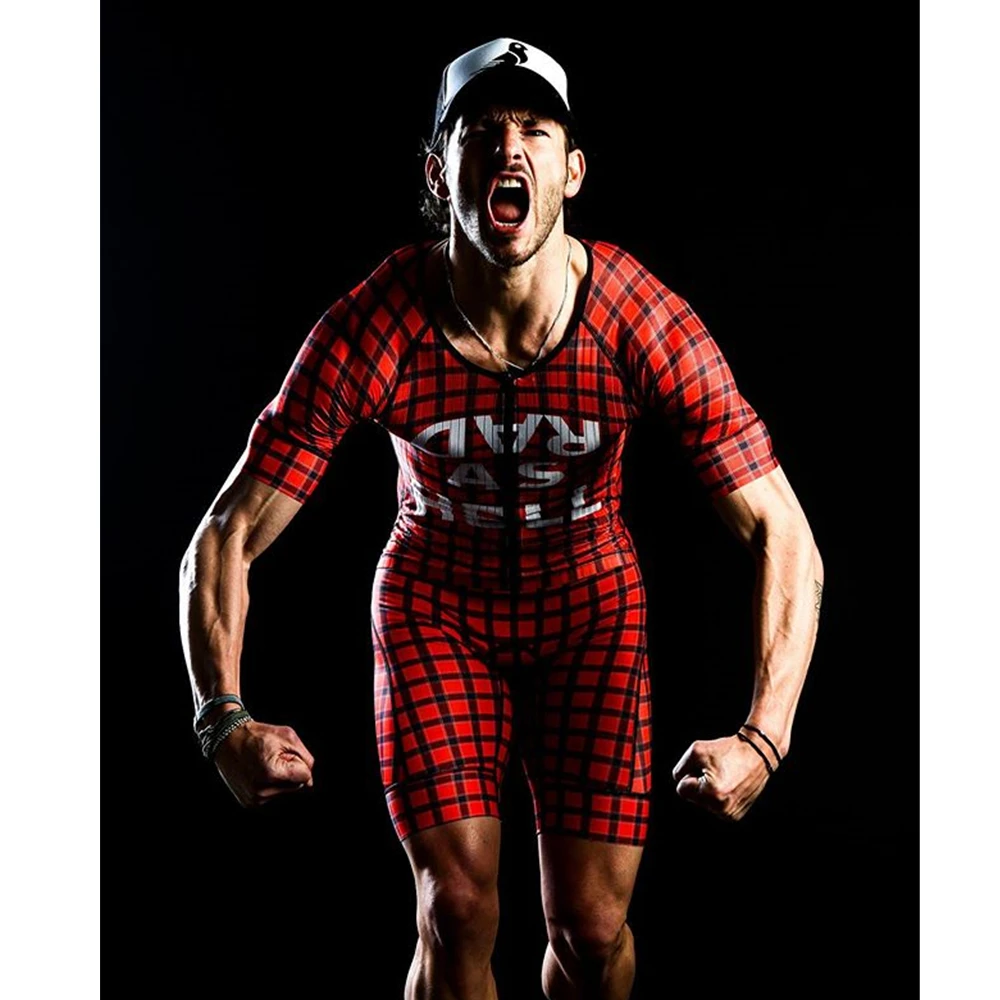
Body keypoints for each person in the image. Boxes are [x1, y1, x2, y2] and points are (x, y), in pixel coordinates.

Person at [179, 37, 824, 1000]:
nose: (509, 148)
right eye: (481, 130)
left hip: (592, 612)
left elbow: (785, 534)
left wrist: (765, 740)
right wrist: (220, 718)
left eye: (534, 128)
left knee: (592, 930)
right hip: (435, 607)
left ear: (573, 170)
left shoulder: (637, 319)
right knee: (455, 909)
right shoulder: (376, 325)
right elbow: (227, 531)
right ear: (440, 174)